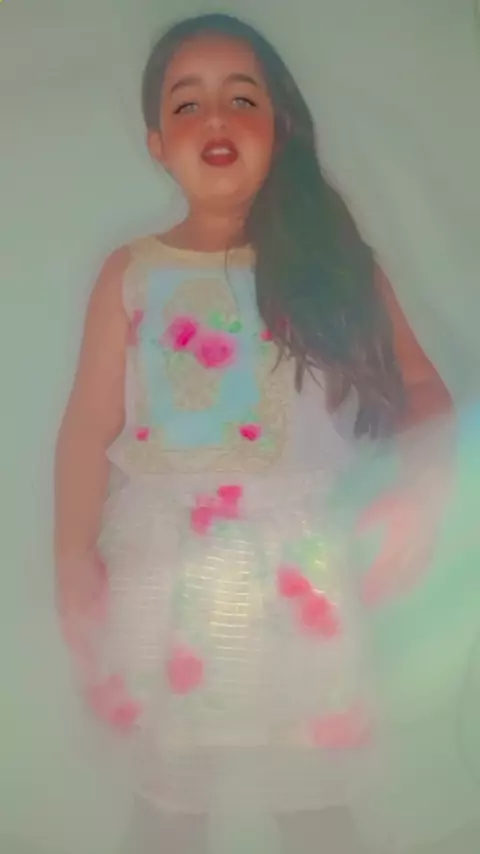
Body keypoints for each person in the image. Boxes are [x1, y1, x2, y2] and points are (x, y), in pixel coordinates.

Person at [54, 13, 454, 853]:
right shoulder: (130, 273)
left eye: (242, 99)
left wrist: (418, 496)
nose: (216, 118)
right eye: (187, 103)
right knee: (169, 809)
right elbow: (90, 424)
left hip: (301, 576)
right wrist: (70, 555)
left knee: (312, 806)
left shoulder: (337, 266)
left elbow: (420, 387)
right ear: (158, 143)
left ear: (279, 128)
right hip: (165, 578)